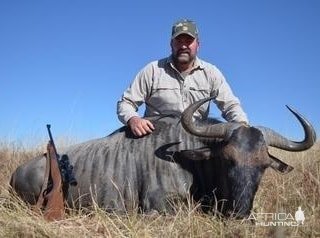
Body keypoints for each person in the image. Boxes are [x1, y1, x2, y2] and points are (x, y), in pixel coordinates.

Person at [117, 19, 248, 137]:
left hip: (196, 139)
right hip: (154, 139)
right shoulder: (152, 70)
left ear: (198, 45)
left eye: (188, 41)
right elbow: (126, 103)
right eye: (178, 41)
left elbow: (231, 106)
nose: (183, 46)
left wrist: (243, 128)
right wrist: (133, 119)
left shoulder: (211, 73)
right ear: (171, 44)